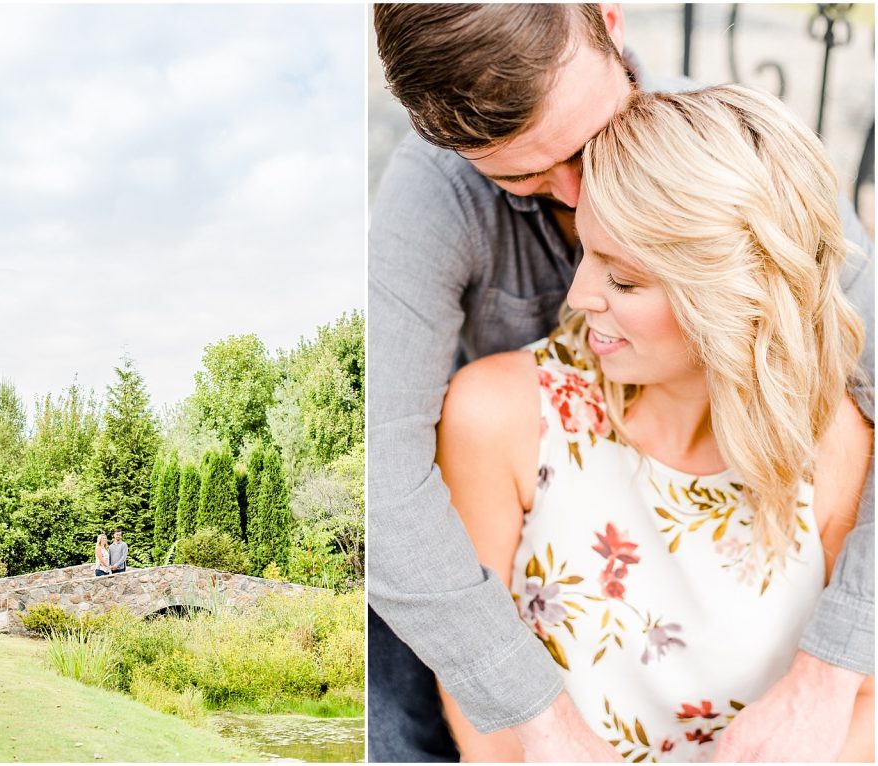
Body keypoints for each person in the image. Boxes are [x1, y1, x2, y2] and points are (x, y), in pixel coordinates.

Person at [368, 4, 875, 761]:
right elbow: (381, 477)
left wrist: (830, 676)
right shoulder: (435, 203)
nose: (577, 193)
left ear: (608, 18)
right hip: (516, 518)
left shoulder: (735, 184)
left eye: (585, 145)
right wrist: (543, 725)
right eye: (525, 176)